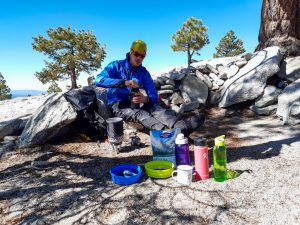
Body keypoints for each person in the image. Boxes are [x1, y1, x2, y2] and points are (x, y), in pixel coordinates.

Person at [95, 40, 205, 132]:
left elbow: (153, 95)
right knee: (141, 114)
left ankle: (179, 126)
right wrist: (124, 82)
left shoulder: (143, 72)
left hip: (135, 103)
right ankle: (165, 132)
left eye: (142, 56)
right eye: (136, 54)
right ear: (131, 52)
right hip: (118, 104)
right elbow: (99, 80)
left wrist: (145, 99)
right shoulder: (116, 65)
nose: (139, 58)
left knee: (155, 108)